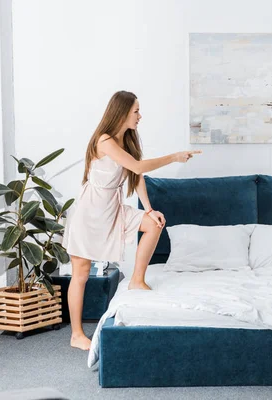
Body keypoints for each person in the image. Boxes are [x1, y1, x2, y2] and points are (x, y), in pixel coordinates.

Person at [62, 90, 201, 350]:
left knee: (154, 224)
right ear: (122, 112)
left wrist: (148, 209)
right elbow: (138, 168)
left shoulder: (126, 141)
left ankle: (138, 279)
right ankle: (77, 334)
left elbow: (136, 177)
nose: (140, 116)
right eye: (136, 111)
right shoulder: (104, 141)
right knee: (80, 273)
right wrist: (174, 156)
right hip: (90, 213)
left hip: (113, 209)